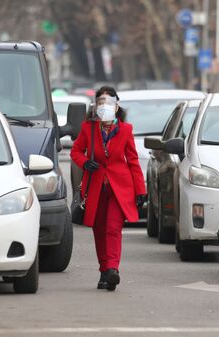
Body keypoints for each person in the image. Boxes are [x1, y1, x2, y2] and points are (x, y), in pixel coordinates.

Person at [71, 86, 146, 291]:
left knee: (113, 228)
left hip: (119, 188)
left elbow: (133, 161)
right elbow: (76, 151)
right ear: (96, 106)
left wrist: (140, 190)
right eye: (101, 102)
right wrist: (85, 162)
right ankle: (104, 271)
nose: (104, 105)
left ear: (117, 105)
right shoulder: (88, 128)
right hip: (95, 187)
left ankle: (113, 269)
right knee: (99, 230)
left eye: (108, 101)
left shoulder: (125, 129)